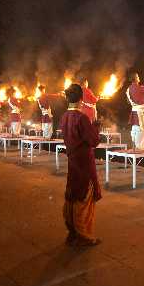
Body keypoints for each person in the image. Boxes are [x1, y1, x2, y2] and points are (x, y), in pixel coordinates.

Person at [60, 83, 102, 246]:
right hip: (84, 162)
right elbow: (94, 141)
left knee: (72, 194)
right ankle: (84, 235)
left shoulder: (64, 117)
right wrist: (96, 127)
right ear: (81, 98)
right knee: (85, 197)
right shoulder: (82, 118)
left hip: (72, 160)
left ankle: (72, 232)